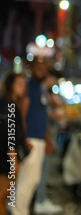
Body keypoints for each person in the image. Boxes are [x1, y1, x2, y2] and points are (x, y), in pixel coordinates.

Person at [11, 58, 60, 215]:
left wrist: (46, 139)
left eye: (44, 68)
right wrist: (23, 139)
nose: (42, 71)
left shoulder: (40, 88)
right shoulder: (30, 87)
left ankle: (20, 209)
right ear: (31, 69)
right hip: (30, 139)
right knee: (27, 180)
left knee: (33, 180)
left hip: (38, 139)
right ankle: (19, 211)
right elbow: (22, 114)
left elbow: (42, 116)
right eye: (38, 68)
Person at [34, 68, 63, 214]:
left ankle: (41, 199)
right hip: (42, 138)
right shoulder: (40, 91)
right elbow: (42, 118)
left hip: (44, 137)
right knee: (40, 172)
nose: (56, 83)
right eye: (55, 80)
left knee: (41, 171)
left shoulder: (46, 92)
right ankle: (40, 201)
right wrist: (48, 140)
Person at [0, 72, 30, 215]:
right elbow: (9, 137)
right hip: (4, 162)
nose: (22, 88)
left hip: (5, 161)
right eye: (19, 84)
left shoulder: (9, 104)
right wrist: (14, 162)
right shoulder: (8, 106)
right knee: (2, 196)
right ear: (10, 86)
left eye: (24, 85)